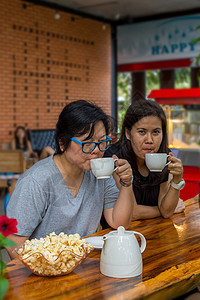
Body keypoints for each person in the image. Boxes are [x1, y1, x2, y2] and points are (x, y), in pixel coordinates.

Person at [6, 100, 134, 259]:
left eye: (101, 142)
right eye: (87, 142)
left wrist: (126, 183)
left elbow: (119, 222)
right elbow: (14, 242)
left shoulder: (100, 172)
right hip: (47, 272)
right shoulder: (36, 181)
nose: (96, 150)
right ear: (62, 142)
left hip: (87, 267)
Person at [101, 99, 185, 229]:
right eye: (142, 132)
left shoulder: (163, 155)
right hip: (117, 236)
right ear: (128, 133)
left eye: (156, 132)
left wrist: (177, 179)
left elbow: (167, 211)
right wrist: (161, 211)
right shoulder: (115, 157)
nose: (150, 140)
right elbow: (132, 213)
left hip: (153, 232)